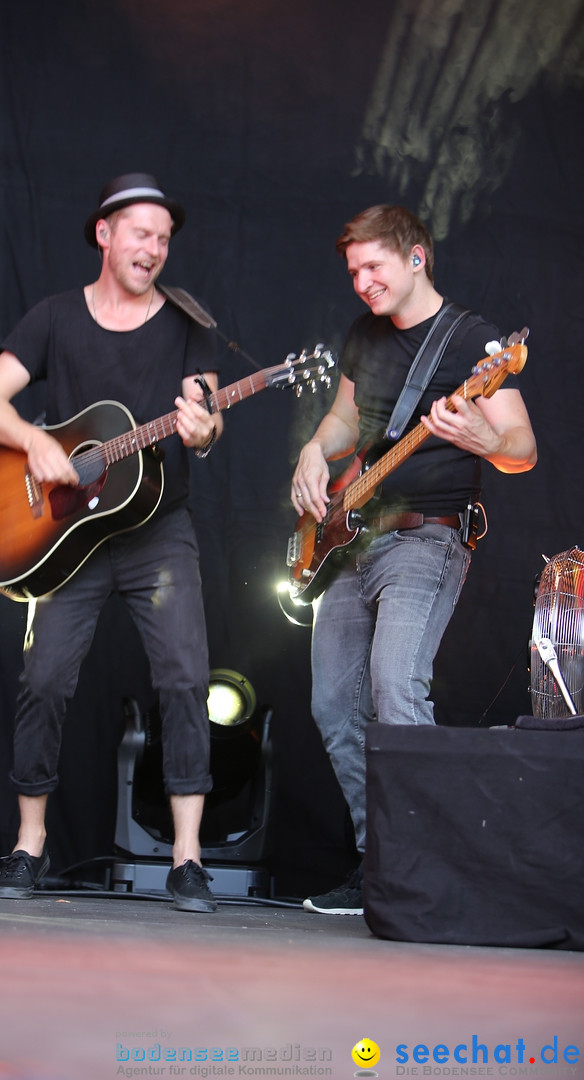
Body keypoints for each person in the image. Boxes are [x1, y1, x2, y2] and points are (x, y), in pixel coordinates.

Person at [0, 173, 223, 912]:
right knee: (44, 678)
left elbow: (206, 416)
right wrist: (35, 444)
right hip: (70, 539)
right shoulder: (53, 318)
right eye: (142, 233)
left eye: (165, 239)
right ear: (104, 234)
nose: (155, 248)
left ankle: (186, 858)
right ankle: (29, 846)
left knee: (183, 678)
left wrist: (205, 431)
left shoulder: (188, 322)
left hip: (158, 532)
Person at [290, 204, 537, 915]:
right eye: (354, 272)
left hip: (428, 538)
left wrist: (479, 440)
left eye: (375, 268)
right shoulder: (364, 335)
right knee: (334, 704)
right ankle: (382, 863)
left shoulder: (478, 343)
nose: (362, 283)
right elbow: (345, 417)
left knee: (396, 688)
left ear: (416, 257)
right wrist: (315, 448)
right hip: (354, 537)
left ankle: (427, 870)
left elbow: (522, 450)